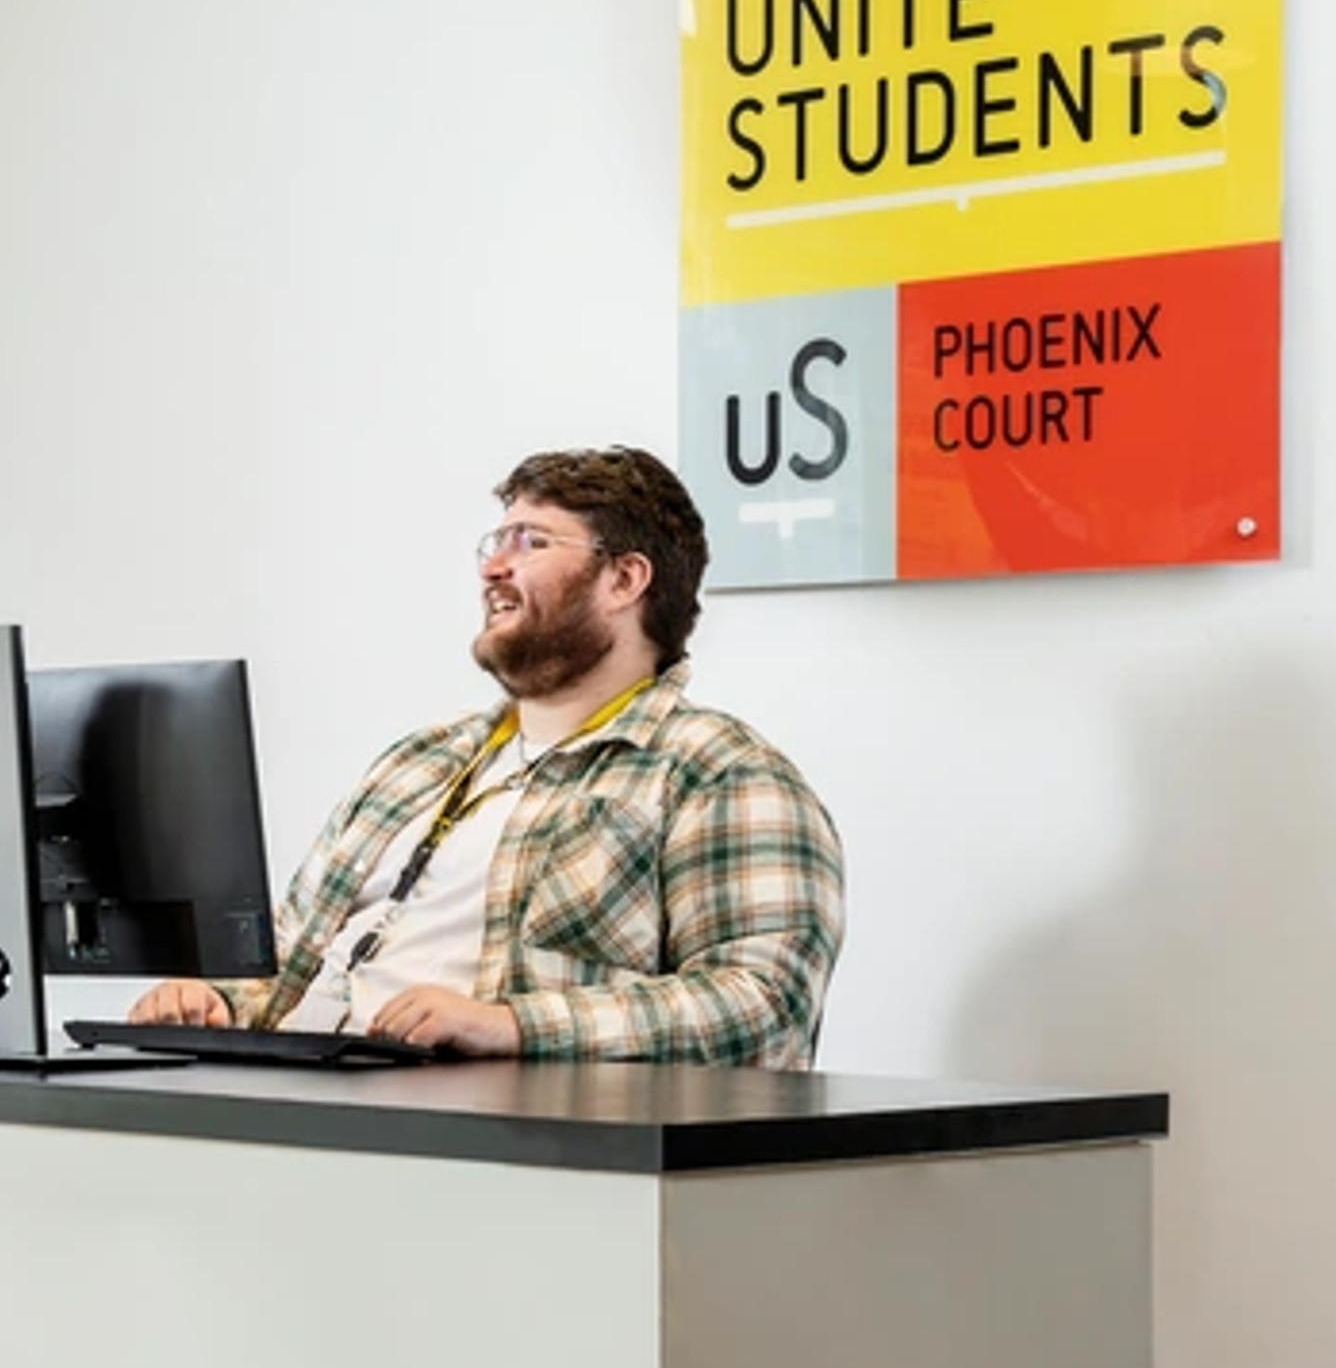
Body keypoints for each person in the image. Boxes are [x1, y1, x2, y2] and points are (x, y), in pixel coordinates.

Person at [131, 446, 841, 1064]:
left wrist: (512, 1025)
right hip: (293, 1109)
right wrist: (217, 1000)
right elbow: (288, 953)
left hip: (481, 1151)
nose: (494, 568)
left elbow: (763, 1004)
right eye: (494, 542)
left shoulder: (719, 772)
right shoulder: (419, 762)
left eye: (531, 542)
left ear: (624, 580)